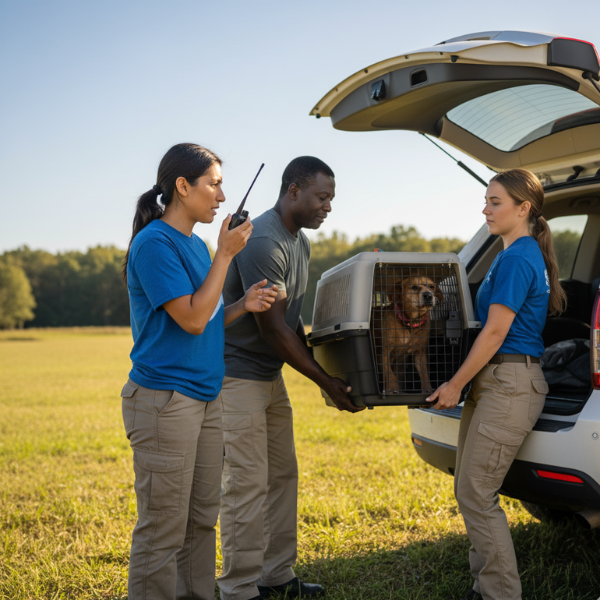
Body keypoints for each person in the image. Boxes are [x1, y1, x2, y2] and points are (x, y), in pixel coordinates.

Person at [120, 143, 278, 600]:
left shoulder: (194, 244)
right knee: (163, 528)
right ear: (182, 186)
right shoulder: (154, 244)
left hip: (205, 398)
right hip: (165, 402)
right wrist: (225, 256)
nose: (222, 197)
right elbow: (190, 317)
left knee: (200, 520)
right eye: (214, 184)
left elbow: (204, 316)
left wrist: (241, 306)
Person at [218, 156, 362, 600]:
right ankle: (239, 590)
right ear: (293, 191)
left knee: (282, 475)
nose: (328, 207)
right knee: (246, 483)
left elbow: (291, 321)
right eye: (322, 197)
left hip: (268, 376)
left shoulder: (298, 242)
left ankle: (277, 576)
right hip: (236, 376)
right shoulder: (263, 238)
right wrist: (326, 382)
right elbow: (273, 328)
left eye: (331, 199)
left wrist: (333, 369)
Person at [427, 168, 566, 600]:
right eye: (486, 200)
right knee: (469, 488)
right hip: (496, 379)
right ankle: (484, 587)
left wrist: (454, 385)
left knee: (476, 492)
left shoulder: (519, 257)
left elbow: (495, 332)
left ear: (523, 208)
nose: (485, 209)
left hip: (510, 381)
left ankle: (499, 594)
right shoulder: (513, 255)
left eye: (495, 202)